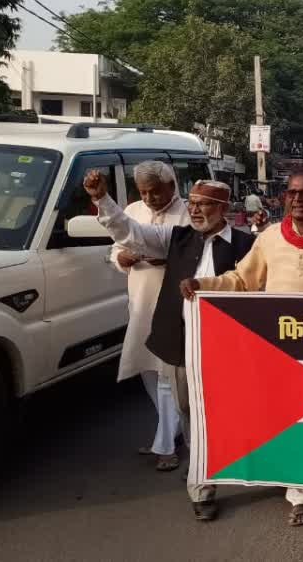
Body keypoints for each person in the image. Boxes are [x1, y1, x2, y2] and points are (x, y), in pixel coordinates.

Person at [180, 170, 303, 528]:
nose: (296, 200)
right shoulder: (269, 237)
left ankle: (302, 494)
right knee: (272, 417)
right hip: (273, 345)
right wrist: (202, 284)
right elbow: (241, 279)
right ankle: (262, 470)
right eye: (291, 193)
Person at [84, 171, 255, 522]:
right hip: (181, 343)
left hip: (229, 346)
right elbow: (131, 233)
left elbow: (260, 285)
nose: (194, 211)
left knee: (228, 413)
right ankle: (201, 482)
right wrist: (103, 201)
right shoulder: (175, 238)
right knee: (189, 412)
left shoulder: (245, 244)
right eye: (191, 204)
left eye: (203, 204)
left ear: (223, 208)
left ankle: (218, 468)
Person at [110, 161, 187, 472]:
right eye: (143, 192)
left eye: (155, 191)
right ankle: (171, 430)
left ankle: (165, 444)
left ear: (171, 186)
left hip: (174, 303)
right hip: (140, 300)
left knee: (168, 373)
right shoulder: (132, 210)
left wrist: (164, 259)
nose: (150, 198)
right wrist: (122, 259)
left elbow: (194, 253)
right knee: (146, 369)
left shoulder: (187, 212)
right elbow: (116, 248)